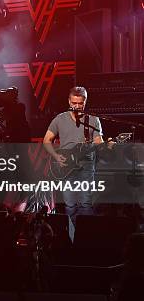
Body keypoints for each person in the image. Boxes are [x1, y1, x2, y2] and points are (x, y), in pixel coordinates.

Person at [43, 86, 107, 239]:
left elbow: (98, 142)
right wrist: (56, 157)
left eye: (81, 103)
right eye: (74, 103)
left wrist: (106, 145)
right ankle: (72, 239)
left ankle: (86, 239)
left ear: (85, 102)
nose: (77, 106)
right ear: (69, 101)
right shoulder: (60, 119)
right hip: (66, 167)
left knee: (86, 204)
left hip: (86, 166)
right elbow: (46, 141)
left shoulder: (93, 120)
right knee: (70, 206)